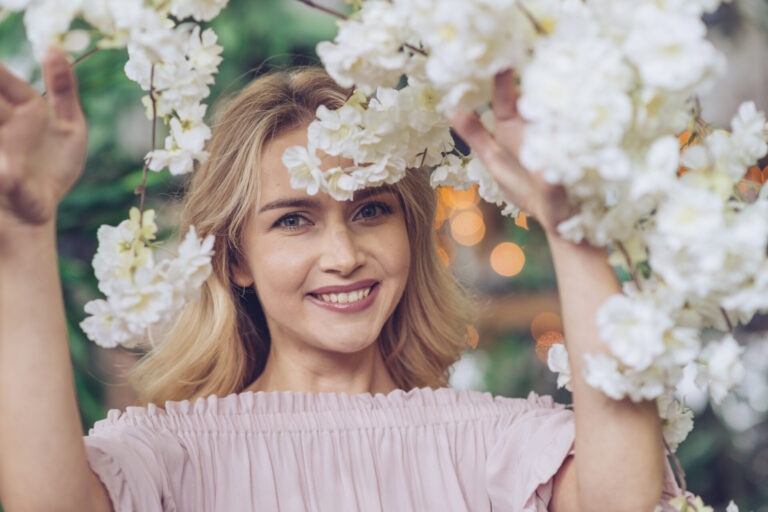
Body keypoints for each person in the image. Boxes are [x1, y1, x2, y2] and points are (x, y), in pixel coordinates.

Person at [0, 47, 684, 512]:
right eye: (294, 220)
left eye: (370, 210)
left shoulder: (496, 446)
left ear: (410, 233)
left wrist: (572, 229)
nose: (344, 254)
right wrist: (24, 235)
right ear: (235, 258)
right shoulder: (169, 456)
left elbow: (621, 499)